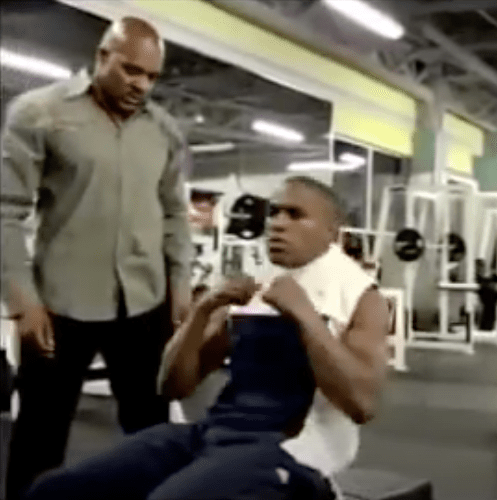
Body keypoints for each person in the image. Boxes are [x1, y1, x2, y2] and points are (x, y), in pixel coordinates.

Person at [24, 176, 390, 500]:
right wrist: (203, 311)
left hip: (298, 447)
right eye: (274, 212)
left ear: (332, 230)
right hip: (215, 433)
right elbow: (174, 386)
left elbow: (362, 405)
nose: (277, 224)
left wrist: (306, 316)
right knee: (56, 489)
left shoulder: (361, 296)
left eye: (295, 215)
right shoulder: (260, 285)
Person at [0, 17, 193, 499]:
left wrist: (182, 288)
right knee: (40, 437)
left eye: (151, 76)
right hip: (60, 305)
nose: (141, 85)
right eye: (131, 70)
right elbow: (5, 211)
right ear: (102, 55)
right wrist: (22, 301)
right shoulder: (38, 113)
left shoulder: (165, 131)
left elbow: (174, 213)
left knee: (151, 432)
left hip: (144, 304)